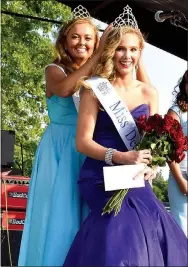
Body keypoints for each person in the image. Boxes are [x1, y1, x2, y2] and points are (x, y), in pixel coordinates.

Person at [18, 7, 152, 267]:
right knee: (58, 213)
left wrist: (139, 58)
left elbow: (147, 90)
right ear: (65, 41)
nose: (83, 43)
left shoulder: (101, 77)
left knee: (89, 216)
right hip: (61, 148)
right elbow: (66, 90)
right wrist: (99, 55)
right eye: (76, 37)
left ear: (96, 41)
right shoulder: (55, 70)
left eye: (89, 38)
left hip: (93, 150)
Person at [63, 24, 187, 266]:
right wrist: (120, 157)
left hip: (133, 176)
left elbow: (151, 145)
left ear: (140, 53)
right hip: (99, 175)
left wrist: (151, 165)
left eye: (133, 50)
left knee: (156, 221)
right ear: (110, 51)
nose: (127, 56)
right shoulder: (94, 89)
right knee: (122, 222)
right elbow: (82, 142)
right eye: (120, 49)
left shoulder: (149, 92)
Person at [167, 70, 188, 236]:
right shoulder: (176, 112)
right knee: (182, 226)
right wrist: (181, 181)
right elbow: (168, 150)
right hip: (181, 175)